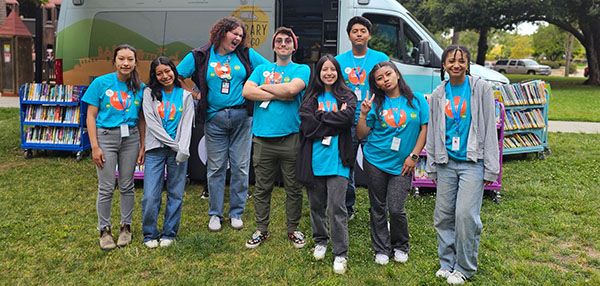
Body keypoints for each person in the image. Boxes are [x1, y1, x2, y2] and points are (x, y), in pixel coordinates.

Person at [177, 16, 269, 232]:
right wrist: (193, 94)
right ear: (221, 33)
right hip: (214, 119)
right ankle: (215, 214)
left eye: (241, 35)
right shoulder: (200, 55)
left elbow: (269, 71)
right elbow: (177, 75)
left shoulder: (246, 54)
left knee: (240, 167)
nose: (238, 38)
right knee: (216, 167)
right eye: (234, 33)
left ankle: (236, 213)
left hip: (242, 118)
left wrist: (257, 88)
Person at [425, 45, 499, 284]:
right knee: (443, 217)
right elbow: (434, 132)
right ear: (443, 65)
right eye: (450, 61)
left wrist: (491, 166)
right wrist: (433, 164)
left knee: (465, 216)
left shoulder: (481, 89)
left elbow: (489, 129)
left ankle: (464, 268)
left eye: (461, 61)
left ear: (468, 64)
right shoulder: (438, 93)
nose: (456, 65)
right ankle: (447, 263)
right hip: (447, 163)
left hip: (472, 163)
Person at [242, 27, 310, 249]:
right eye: (279, 41)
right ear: (273, 46)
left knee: (293, 187)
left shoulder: (302, 69)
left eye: (287, 41)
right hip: (262, 139)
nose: (283, 44)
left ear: (293, 46)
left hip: (291, 138)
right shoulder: (261, 68)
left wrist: (264, 88)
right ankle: (262, 229)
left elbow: (292, 89)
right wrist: (278, 92)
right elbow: (247, 92)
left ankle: (293, 229)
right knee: (262, 188)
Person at [356, 61, 428, 265]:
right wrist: (362, 114)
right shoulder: (376, 104)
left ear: (397, 74)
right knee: (378, 207)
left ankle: (401, 245)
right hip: (375, 161)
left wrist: (414, 156)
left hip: (403, 165)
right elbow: (361, 134)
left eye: (388, 74)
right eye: (379, 78)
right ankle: (381, 248)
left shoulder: (417, 99)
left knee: (396, 209)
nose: (385, 79)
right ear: (376, 84)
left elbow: (424, 129)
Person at [296, 54, 356, 274]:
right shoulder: (311, 97)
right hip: (314, 160)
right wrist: (333, 118)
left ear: (338, 72)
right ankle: (320, 240)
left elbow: (348, 119)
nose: (329, 73)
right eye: (324, 69)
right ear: (318, 73)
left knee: (337, 208)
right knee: (316, 205)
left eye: (332, 69)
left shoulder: (347, 95)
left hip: (339, 161)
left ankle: (340, 253)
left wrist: (321, 117)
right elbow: (307, 126)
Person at [83, 44, 146, 251]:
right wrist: (94, 146)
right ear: (114, 61)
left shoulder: (140, 87)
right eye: (121, 59)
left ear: (135, 62)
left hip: (130, 138)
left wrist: (143, 145)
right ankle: (105, 230)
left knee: (127, 185)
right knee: (107, 186)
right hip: (106, 137)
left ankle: (126, 227)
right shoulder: (101, 83)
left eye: (130, 59)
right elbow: (90, 116)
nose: (125, 63)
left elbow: (142, 119)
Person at [335, 16, 390, 220]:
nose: (359, 34)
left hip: (374, 122)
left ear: (369, 34)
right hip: (347, 121)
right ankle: (348, 207)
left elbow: (390, 85)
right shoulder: (339, 61)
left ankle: (378, 211)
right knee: (346, 165)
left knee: (376, 167)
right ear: (349, 35)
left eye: (363, 30)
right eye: (354, 31)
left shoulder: (381, 58)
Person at [141, 56, 194, 248]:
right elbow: (152, 125)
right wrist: (175, 145)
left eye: (168, 71)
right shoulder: (149, 94)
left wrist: (183, 149)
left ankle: (169, 233)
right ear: (154, 76)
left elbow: (187, 125)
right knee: (150, 195)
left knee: (175, 193)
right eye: (159, 73)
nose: (165, 76)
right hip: (156, 150)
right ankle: (149, 234)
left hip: (179, 153)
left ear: (174, 71)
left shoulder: (185, 96)